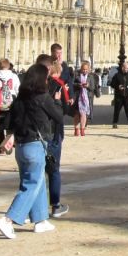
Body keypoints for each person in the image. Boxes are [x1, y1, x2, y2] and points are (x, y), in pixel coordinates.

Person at [0, 61, 64, 239]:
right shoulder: (43, 97)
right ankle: (8, 219)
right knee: (31, 184)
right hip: (36, 145)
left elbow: (8, 123)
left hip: (21, 146)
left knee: (38, 181)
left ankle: (40, 220)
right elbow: (59, 118)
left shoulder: (20, 99)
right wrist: (56, 102)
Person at [45, 45, 74, 217]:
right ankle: (55, 205)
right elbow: (59, 113)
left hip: (35, 135)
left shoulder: (34, 87)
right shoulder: (55, 85)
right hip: (52, 131)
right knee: (54, 169)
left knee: (38, 174)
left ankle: (35, 208)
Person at [0, 59, 18, 148]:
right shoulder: (14, 76)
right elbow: (17, 89)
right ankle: (8, 144)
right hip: (11, 101)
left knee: (0, 124)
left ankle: (1, 143)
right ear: (8, 66)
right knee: (11, 124)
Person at [109, 61, 128, 128]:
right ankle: (115, 122)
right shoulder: (117, 75)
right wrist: (118, 86)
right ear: (122, 68)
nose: (127, 70)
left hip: (127, 96)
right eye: (126, 68)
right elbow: (112, 84)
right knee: (117, 110)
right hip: (119, 96)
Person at [73, 61, 94, 137]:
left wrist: (88, 86)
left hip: (86, 99)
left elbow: (93, 88)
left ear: (88, 70)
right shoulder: (77, 76)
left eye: (86, 69)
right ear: (81, 69)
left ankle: (82, 130)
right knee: (76, 114)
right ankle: (76, 129)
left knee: (83, 114)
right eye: (83, 69)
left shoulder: (90, 77)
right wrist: (79, 85)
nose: (85, 71)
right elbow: (72, 84)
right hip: (77, 97)